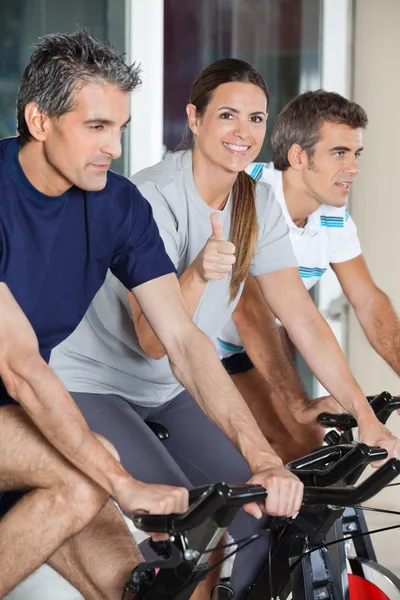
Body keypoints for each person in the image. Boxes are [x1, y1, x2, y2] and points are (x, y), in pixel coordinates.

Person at [50, 59, 400, 598]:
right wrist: (197, 272)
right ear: (194, 119)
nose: (244, 132)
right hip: (95, 383)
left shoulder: (255, 201)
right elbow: (151, 340)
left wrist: (364, 418)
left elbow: (302, 318)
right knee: (184, 523)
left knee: (266, 518)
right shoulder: (153, 198)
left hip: (170, 388)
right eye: (228, 116)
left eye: (256, 119)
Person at [0, 32, 304, 600]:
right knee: (88, 476)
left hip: (18, 415)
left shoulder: (117, 206)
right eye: (96, 127)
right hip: (22, 399)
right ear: (40, 121)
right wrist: (124, 484)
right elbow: (18, 363)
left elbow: (183, 340)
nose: (113, 147)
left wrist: (262, 459)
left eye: (120, 128)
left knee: (139, 586)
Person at [216, 90, 400, 462]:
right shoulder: (247, 194)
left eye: (355, 154)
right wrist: (297, 401)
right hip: (189, 347)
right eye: (339, 153)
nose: (354, 167)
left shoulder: (332, 214)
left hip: (238, 348)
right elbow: (248, 310)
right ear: (299, 156)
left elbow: (367, 300)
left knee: (307, 448)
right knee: (259, 458)